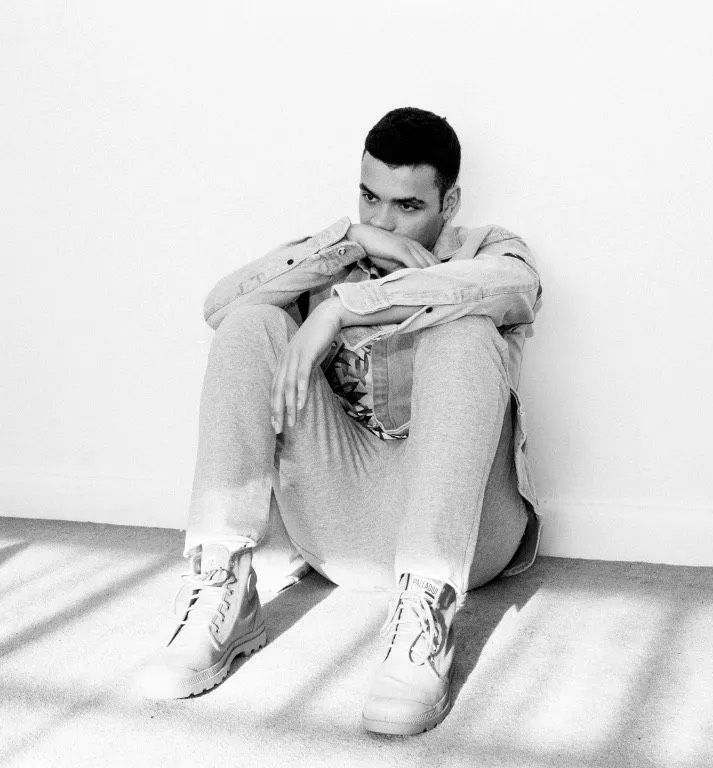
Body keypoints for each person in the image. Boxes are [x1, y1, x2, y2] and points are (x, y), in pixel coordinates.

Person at [138, 107, 543, 736]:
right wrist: (349, 246)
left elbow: (508, 289)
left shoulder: (491, 251)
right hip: (336, 525)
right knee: (252, 323)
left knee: (464, 331)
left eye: (407, 206)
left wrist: (342, 311)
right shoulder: (338, 254)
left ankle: (423, 618)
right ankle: (222, 584)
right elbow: (219, 306)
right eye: (369, 198)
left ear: (450, 202)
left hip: (467, 538)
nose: (383, 219)